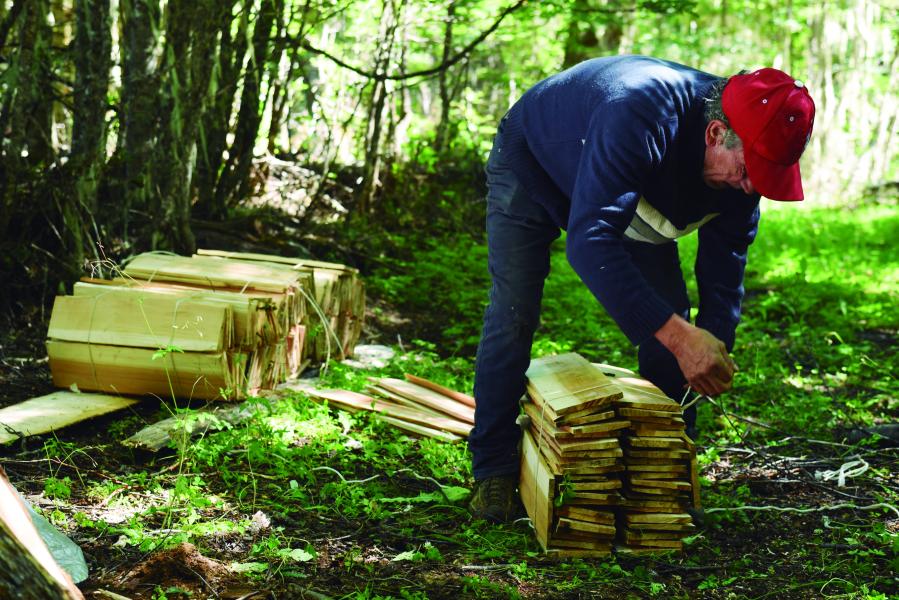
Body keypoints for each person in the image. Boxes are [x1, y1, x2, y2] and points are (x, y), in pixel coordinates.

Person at [466, 55, 816, 523]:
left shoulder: (742, 173)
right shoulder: (640, 113)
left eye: (770, 176)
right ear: (716, 135)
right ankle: (493, 469)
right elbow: (590, 243)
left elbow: (725, 265)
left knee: (672, 329)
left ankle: (666, 467)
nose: (755, 188)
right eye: (752, 170)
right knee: (515, 310)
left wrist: (709, 344)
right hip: (534, 162)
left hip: (634, 200)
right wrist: (680, 336)